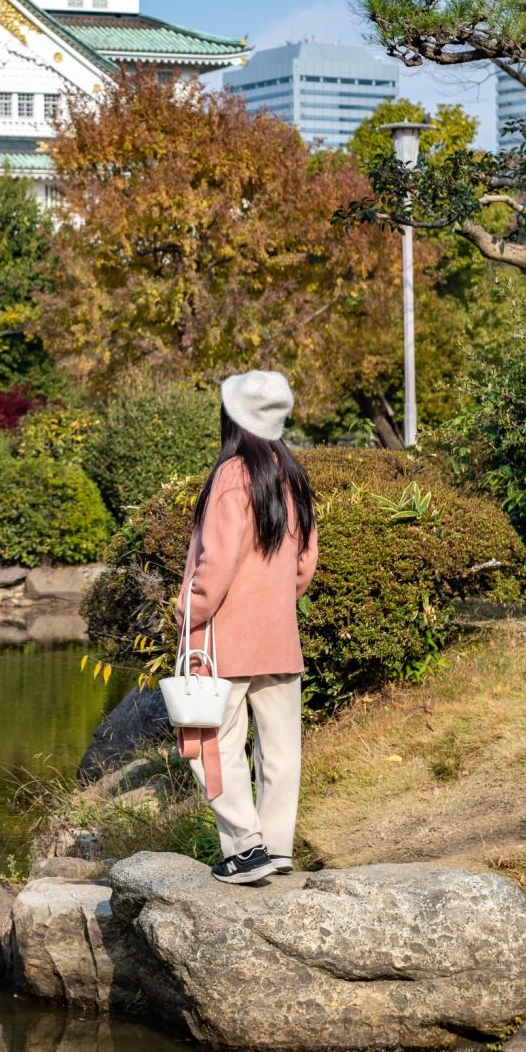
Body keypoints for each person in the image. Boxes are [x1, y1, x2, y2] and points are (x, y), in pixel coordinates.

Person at [174, 370, 317, 885]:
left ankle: (245, 848)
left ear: (231, 416)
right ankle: (276, 847)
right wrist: (276, 603)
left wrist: (188, 611)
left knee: (208, 742)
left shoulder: (233, 475)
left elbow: (215, 565)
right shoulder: (292, 474)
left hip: (223, 641)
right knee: (280, 750)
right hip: (279, 637)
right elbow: (304, 565)